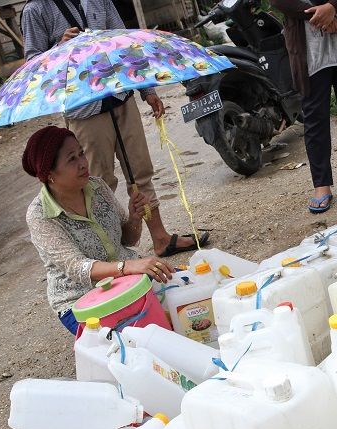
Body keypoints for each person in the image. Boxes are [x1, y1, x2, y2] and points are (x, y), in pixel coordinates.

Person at [21, 0, 206, 256]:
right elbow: (33, 64)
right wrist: (58, 48)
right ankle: (107, 254)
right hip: (84, 109)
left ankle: (160, 238)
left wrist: (147, 90)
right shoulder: (35, 10)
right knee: (94, 182)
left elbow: (123, 44)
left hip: (120, 96)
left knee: (140, 171)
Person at [24, 126, 175, 334]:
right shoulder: (40, 215)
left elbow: (128, 239)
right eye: (71, 159)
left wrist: (134, 217)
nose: (83, 164)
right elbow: (77, 267)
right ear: (49, 174)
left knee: (182, 307)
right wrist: (129, 266)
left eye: (81, 153)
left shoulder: (98, 187)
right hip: (82, 300)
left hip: (127, 281)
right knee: (134, 345)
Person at [270, 0, 337, 213]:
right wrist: (319, 16)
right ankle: (322, 185)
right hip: (310, 46)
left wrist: (332, 7)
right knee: (315, 118)